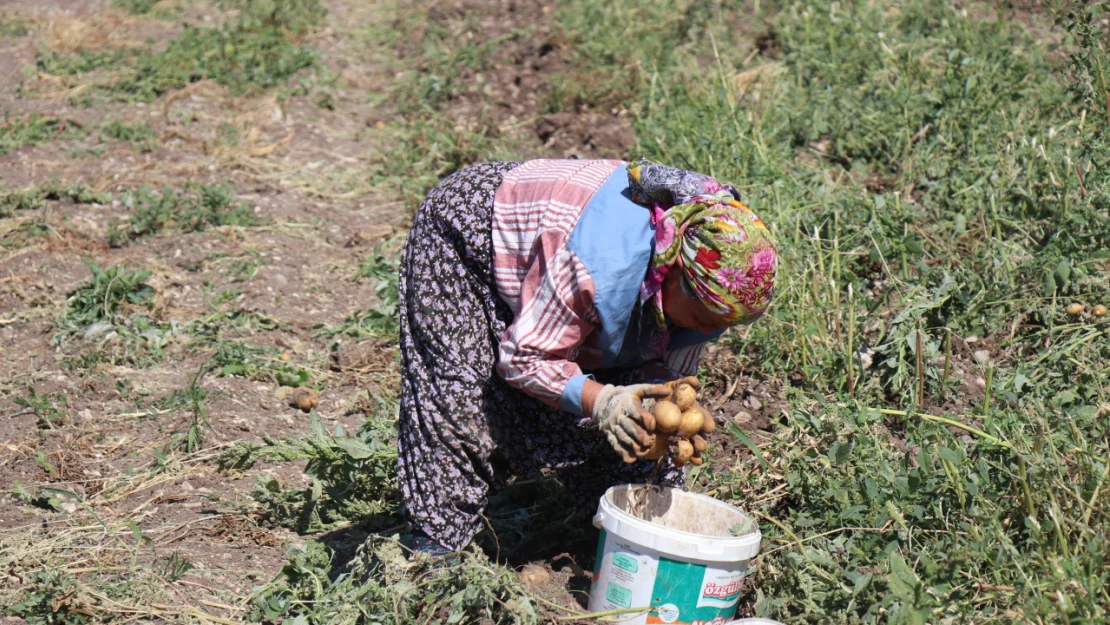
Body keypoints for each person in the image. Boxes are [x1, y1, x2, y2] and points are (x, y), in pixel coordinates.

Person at [397, 158, 777, 555]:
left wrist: (672, 419)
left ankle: (611, 530)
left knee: (635, 424)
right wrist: (603, 400)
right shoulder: (598, 265)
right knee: (459, 393)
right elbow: (524, 358)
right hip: (471, 232)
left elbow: (663, 378)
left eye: (720, 325)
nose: (705, 331)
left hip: (571, 258)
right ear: (674, 269)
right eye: (702, 318)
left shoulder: (709, 292)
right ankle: (434, 545)